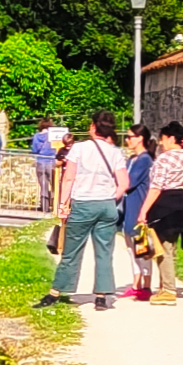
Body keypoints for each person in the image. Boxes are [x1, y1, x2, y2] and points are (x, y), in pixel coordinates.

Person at [43, 111, 129, 308]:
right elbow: (124, 183)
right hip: (106, 205)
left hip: (83, 203)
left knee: (72, 250)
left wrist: (63, 204)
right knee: (104, 252)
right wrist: (110, 198)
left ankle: (56, 291)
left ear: (93, 127)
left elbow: (69, 178)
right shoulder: (115, 152)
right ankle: (101, 296)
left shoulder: (79, 148)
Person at [142, 121, 183, 299]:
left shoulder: (164, 159)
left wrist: (144, 211)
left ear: (171, 138)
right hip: (181, 200)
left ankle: (169, 290)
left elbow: (156, 187)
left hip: (165, 202)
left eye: (163, 139)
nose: (161, 143)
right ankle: (164, 285)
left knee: (162, 247)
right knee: (170, 246)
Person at [120, 126, 156, 299]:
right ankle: (136, 284)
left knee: (141, 247)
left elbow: (129, 182)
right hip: (129, 207)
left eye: (130, 137)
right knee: (131, 248)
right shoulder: (132, 159)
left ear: (140, 138)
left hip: (138, 207)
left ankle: (146, 286)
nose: (127, 140)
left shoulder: (144, 160)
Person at [28, 116, 59, 212]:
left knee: (43, 186)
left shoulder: (36, 136)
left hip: (40, 162)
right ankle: (55, 206)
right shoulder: (53, 136)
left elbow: (34, 150)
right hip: (52, 162)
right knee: (55, 186)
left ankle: (45, 207)